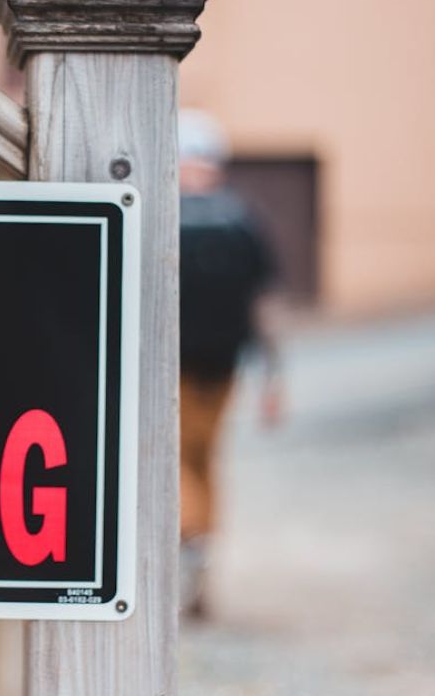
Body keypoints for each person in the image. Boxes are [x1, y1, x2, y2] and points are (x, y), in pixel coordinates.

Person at [177, 109, 281, 618]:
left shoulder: (161, 215)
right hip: (223, 365)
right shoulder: (242, 219)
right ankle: (198, 552)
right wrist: (273, 376)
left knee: (177, 458)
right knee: (204, 458)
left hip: (174, 368)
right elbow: (263, 305)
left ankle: (189, 546)